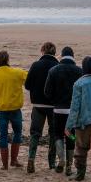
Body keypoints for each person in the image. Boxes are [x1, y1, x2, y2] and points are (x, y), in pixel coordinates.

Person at [0, 50, 28, 170]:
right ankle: (13, 160)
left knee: (3, 135)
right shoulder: (17, 72)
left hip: (2, 109)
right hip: (15, 109)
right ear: (8, 59)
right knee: (17, 134)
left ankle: (5, 164)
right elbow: (29, 79)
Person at [44, 46, 82, 175]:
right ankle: (70, 166)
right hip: (73, 110)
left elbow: (47, 92)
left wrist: (55, 101)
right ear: (72, 56)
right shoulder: (79, 71)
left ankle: (61, 159)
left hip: (58, 109)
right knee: (70, 136)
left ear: (62, 55)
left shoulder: (53, 70)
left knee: (58, 134)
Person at [24, 42, 59, 173]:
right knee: (53, 134)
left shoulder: (36, 65)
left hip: (38, 104)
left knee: (35, 134)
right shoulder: (58, 66)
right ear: (54, 52)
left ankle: (31, 159)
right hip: (53, 106)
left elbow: (27, 85)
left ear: (42, 51)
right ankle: (51, 163)